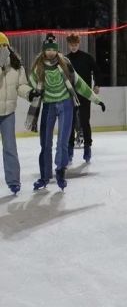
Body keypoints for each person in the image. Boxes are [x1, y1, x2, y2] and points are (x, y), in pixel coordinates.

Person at [26, 33, 106, 190]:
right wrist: (32, 92)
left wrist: (96, 99)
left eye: (52, 49)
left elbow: (80, 84)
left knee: (63, 141)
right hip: (48, 105)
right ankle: (44, 176)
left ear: (56, 50)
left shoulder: (65, 63)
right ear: (44, 51)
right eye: (47, 50)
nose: (50, 52)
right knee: (45, 143)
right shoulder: (38, 67)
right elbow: (30, 85)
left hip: (65, 104)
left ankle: (60, 172)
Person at [0, 32, 39, 194]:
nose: (1, 49)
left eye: (3, 46)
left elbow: (21, 86)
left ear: (7, 47)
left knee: (10, 147)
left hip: (8, 113)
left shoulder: (17, 66)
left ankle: (13, 181)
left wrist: (30, 93)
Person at [66, 33, 102, 163]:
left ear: (79, 44)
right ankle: (69, 149)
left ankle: (87, 147)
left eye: (75, 44)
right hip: (69, 95)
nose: (74, 47)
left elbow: (97, 71)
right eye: (71, 45)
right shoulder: (65, 60)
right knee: (69, 123)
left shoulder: (87, 58)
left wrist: (97, 84)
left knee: (85, 121)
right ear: (68, 45)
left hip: (85, 95)